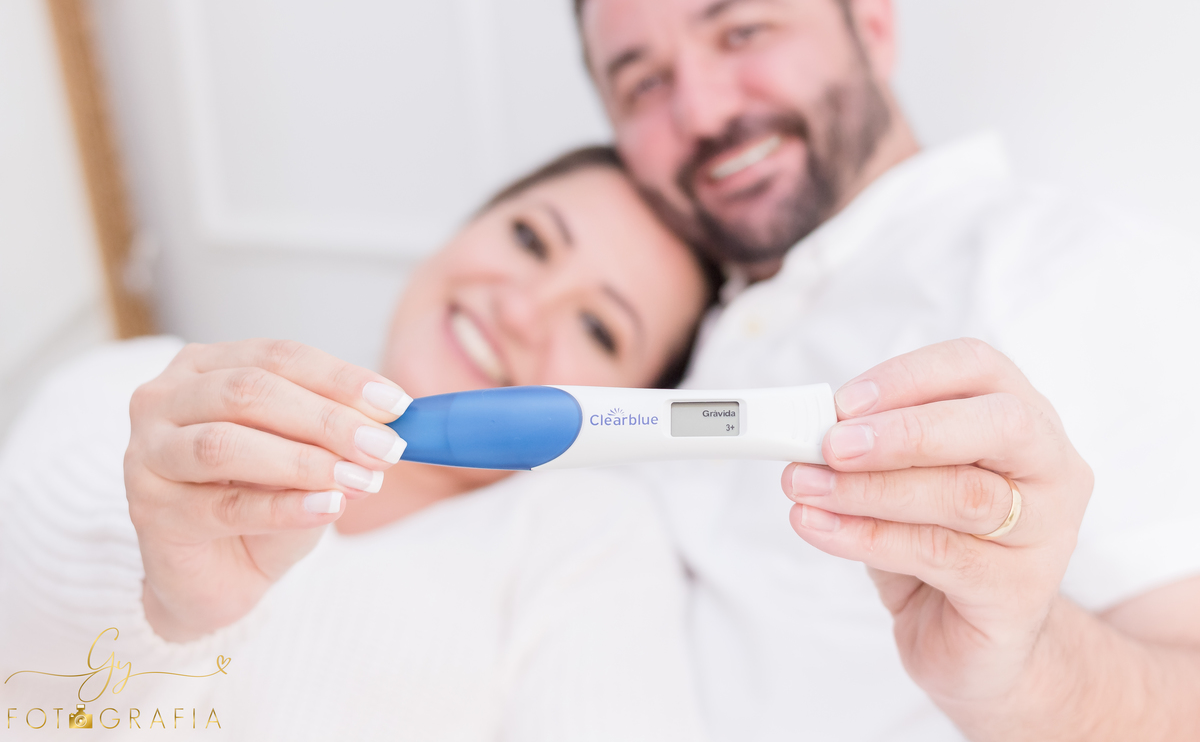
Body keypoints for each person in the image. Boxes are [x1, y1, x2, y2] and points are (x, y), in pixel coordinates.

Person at [571, 0, 1200, 739]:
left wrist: (1019, 677)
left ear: (870, 23)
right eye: (643, 83)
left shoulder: (1068, 270)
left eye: (742, 33)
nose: (700, 111)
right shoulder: (674, 324)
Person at [0, 147, 714, 740]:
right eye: (530, 239)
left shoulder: (593, 542)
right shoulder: (145, 387)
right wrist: (161, 601)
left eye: (600, 329)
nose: (522, 309)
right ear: (463, 230)